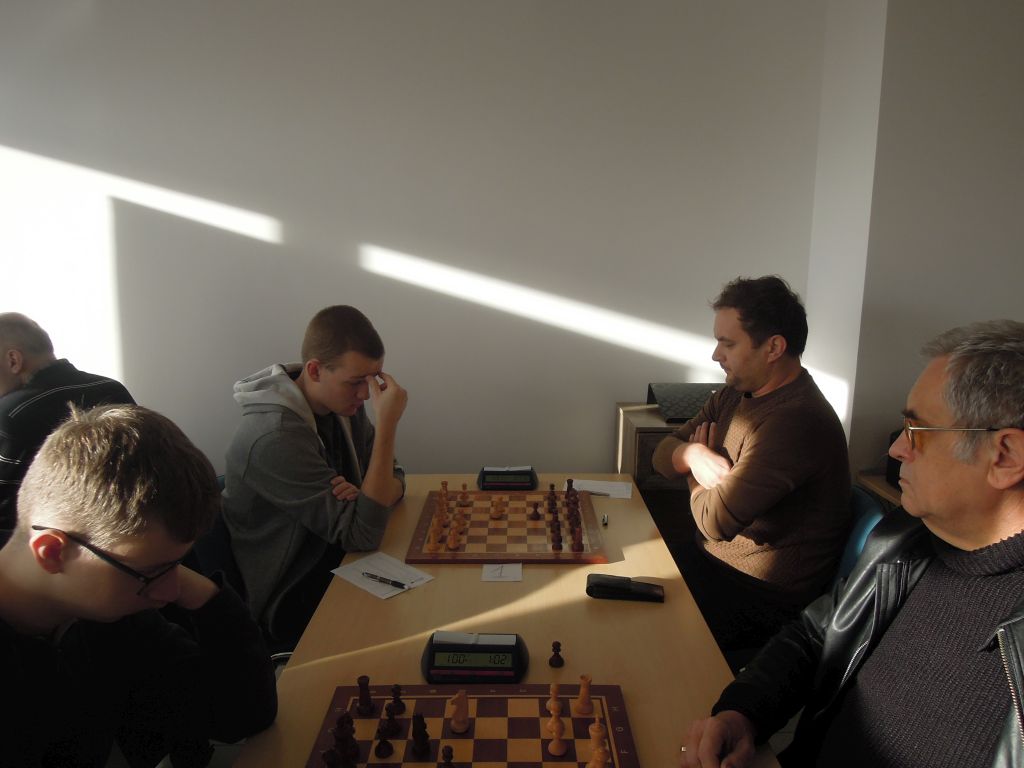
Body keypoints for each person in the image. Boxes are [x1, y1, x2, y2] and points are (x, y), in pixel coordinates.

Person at [680, 319, 1024, 768]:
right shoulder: (907, 539)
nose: (897, 449)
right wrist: (743, 712)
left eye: (917, 430)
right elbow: (817, 634)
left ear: (1004, 456)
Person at [0, 404, 277, 767]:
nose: (169, 593)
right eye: (152, 571)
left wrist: (202, 595)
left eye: (177, 566)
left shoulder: (111, 613)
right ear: (52, 552)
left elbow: (240, 715)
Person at [652, 276, 850, 661]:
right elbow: (660, 456)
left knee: (636, 626)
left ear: (773, 347)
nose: (716, 355)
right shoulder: (733, 394)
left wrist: (691, 470)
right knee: (617, 582)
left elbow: (714, 523)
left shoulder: (797, 421)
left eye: (728, 343)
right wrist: (694, 455)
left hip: (762, 598)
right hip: (714, 565)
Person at [223, 305, 407, 645]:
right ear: (315, 370)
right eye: (355, 382)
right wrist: (387, 426)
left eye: (372, 381)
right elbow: (363, 533)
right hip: (294, 591)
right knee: (408, 629)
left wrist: (368, 497)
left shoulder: (344, 406)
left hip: (343, 558)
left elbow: (396, 476)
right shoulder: (275, 437)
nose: (366, 395)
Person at [0, 312, 134, 538]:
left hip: (49, 546)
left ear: (13, 360)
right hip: (124, 533)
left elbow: (4, 513)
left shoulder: (12, 414)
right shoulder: (112, 389)